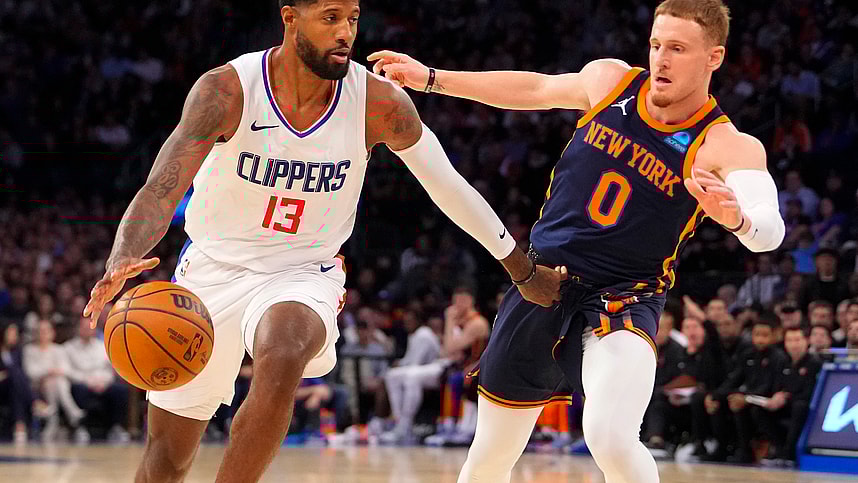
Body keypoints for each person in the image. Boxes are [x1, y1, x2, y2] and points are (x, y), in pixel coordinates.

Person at [82, 1, 563, 481]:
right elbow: (162, 187)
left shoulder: (379, 102)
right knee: (166, 462)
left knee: (286, 347)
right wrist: (123, 255)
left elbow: (447, 185)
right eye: (330, 18)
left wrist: (520, 269)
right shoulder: (226, 89)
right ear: (290, 18)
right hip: (212, 269)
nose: (346, 33)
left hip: (303, 271)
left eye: (352, 18)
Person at [369, 1, 785, 481]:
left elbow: (768, 230)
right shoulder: (611, 81)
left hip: (626, 293)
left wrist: (738, 220)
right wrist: (433, 79)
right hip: (541, 279)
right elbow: (534, 87)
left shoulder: (725, 143)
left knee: (609, 436)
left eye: (677, 48)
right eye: (655, 45)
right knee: (488, 459)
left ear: (713, 58)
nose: (661, 59)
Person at [716, 316, 789, 463]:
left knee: (748, 407)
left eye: (765, 335)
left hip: (769, 402)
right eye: (757, 335)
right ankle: (727, 448)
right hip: (749, 398)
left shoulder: (778, 357)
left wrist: (745, 397)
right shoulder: (748, 355)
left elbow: (769, 387)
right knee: (721, 403)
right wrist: (714, 396)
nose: (760, 339)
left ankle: (776, 447)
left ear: (774, 336)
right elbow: (734, 380)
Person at [63, 317, 131, 443]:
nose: (87, 330)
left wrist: (104, 382)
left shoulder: (102, 346)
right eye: (84, 328)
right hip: (83, 384)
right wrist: (88, 381)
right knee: (78, 389)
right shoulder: (68, 348)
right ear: (78, 329)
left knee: (120, 390)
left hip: (102, 383)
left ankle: (116, 427)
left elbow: (109, 369)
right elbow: (68, 372)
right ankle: (81, 427)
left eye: (89, 328)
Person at [22, 320, 86, 443]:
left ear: (52, 333)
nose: (43, 334)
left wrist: (53, 372)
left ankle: (53, 418)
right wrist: (49, 371)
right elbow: (30, 372)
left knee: (56, 381)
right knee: (55, 380)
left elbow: (67, 370)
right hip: (36, 387)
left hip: (56, 385)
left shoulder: (59, 350)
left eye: (46, 331)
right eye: (40, 331)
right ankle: (73, 413)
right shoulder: (29, 350)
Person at [767, 327, 821, 466]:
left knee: (799, 406)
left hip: (803, 406)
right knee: (759, 409)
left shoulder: (814, 363)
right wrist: (776, 397)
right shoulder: (783, 363)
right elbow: (777, 387)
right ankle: (777, 448)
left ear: (806, 341)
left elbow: (810, 392)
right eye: (789, 340)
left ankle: (790, 453)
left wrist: (786, 397)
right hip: (785, 405)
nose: (793, 344)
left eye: (797, 340)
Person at [0, 324, 32, 445]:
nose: (14, 337)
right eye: (11, 333)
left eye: (16, 334)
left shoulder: (17, 351)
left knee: (15, 378)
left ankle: (19, 424)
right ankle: (34, 401)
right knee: (15, 373)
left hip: (11, 387)